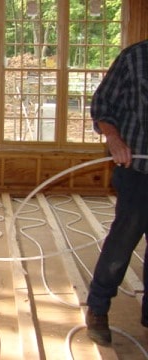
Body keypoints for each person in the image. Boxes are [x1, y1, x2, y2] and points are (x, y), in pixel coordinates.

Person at [86, 38, 148, 346]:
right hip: (136, 172)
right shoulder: (135, 58)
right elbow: (102, 105)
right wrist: (114, 140)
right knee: (123, 242)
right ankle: (98, 308)